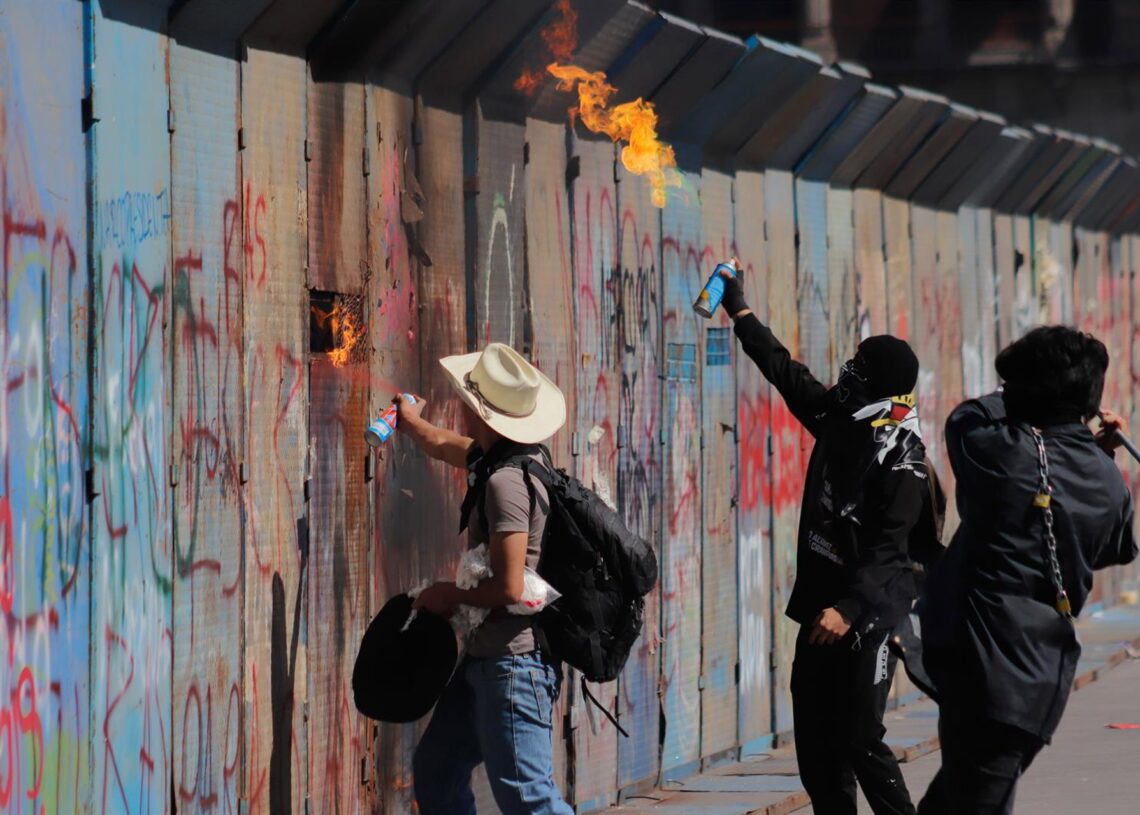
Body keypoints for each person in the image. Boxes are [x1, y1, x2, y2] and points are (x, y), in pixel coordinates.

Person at [719, 262, 934, 815]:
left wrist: (848, 608)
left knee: (860, 738)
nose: (849, 376)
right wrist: (739, 309)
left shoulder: (904, 461)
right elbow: (785, 373)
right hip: (821, 614)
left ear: (882, 385)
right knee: (817, 750)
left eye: (860, 370)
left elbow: (891, 550)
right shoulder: (842, 420)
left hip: (869, 617)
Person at [917, 326, 1138, 814]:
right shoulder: (1108, 482)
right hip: (1033, 680)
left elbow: (967, 416)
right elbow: (1113, 547)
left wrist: (1020, 403)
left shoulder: (999, 451)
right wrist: (1092, 447)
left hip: (988, 674)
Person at [397, 342, 573, 815]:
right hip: (485, 660)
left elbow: (510, 587)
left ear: (482, 412)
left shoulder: (506, 482)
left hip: (512, 667)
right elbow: (446, 444)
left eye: (467, 399)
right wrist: (411, 423)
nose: (459, 404)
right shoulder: (499, 458)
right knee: (437, 771)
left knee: (528, 799)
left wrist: (445, 596)